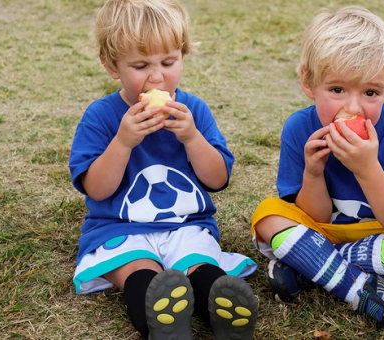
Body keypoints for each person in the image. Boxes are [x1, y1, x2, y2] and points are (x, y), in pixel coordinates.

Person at [250, 6, 384, 338]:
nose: (354, 107)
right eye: (338, 90)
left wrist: (367, 168)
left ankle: (308, 264)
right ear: (308, 82)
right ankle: (361, 290)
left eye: (370, 93)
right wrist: (313, 175)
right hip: (322, 230)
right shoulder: (300, 128)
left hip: (382, 236)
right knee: (268, 216)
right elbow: (314, 217)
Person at [68, 1, 258, 339]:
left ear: (183, 56)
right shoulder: (100, 116)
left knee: (199, 265)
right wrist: (123, 142)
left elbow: (217, 180)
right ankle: (163, 323)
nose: (157, 76)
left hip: (186, 225)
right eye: (141, 65)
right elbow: (97, 189)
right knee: (139, 272)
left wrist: (192, 137)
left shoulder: (193, 111)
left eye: (168, 62)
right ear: (112, 66)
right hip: (119, 228)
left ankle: (224, 310)